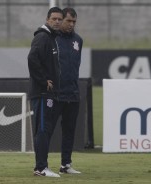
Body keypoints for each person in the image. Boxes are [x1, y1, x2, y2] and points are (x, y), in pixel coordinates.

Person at [28, 7, 63, 177]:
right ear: (47, 19)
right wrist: (43, 81)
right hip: (42, 93)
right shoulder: (42, 37)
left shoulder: (51, 38)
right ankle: (41, 168)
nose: (57, 21)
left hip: (48, 94)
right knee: (42, 130)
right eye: (54, 19)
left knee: (45, 130)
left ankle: (41, 166)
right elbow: (32, 59)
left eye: (59, 19)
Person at [55, 7, 83, 174]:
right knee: (47, 130)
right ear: (61, 20)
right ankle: (41, 164)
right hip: (55, 93)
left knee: (69, 131)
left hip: (72, 93)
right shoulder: (52, 38)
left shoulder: (78, 40)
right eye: (68, 21)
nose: (71, 24)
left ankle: (66, 164)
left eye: (74, 22)